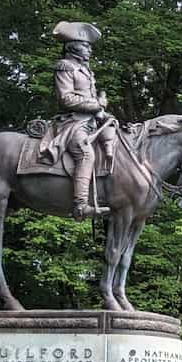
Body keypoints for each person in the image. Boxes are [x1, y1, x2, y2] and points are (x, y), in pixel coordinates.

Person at [52, 20, 114, 220]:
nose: (90, 50)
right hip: (73, 122)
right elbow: (66, 99)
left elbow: (91, 100)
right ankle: (80, 205)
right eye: (86, 46)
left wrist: (102, 112)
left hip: (91, 121)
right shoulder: (65, 67)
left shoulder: (86, 70)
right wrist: (97, 104)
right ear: (74, 47)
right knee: (85, 154)